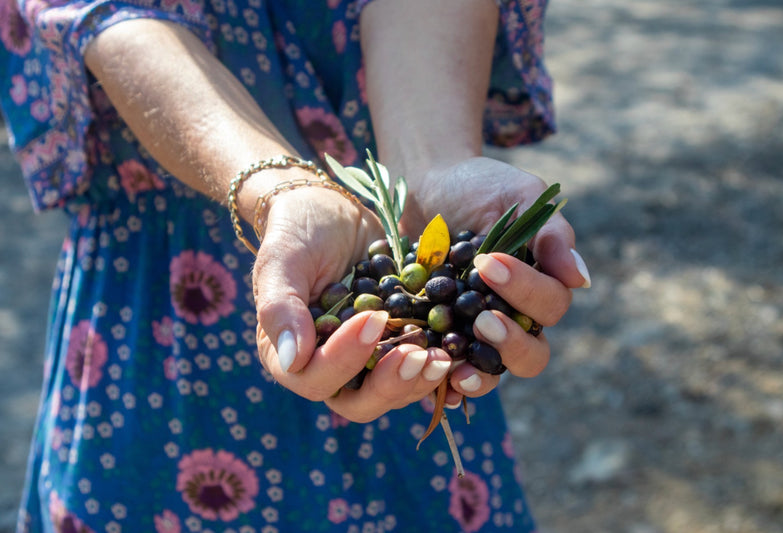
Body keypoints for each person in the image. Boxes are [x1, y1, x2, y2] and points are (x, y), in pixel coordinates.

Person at [1, 0, 591, 531]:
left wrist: (430, 166)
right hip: (163, 321)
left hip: (394, 347)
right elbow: (114, 18)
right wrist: (281, 191)